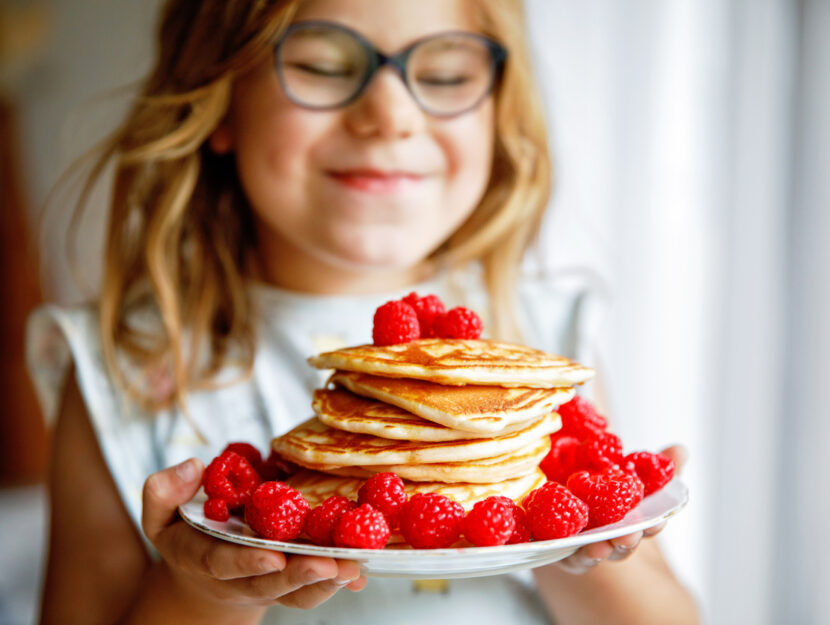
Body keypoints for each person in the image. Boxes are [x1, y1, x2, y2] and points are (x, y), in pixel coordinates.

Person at [27, 0, 700, 623]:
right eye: (321, 66)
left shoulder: (538, 346)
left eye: (443, 75)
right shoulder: (124, 370)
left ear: (499, 111)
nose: (391, 114)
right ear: (221, 95)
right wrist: (199, 590)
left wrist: (578, 537)